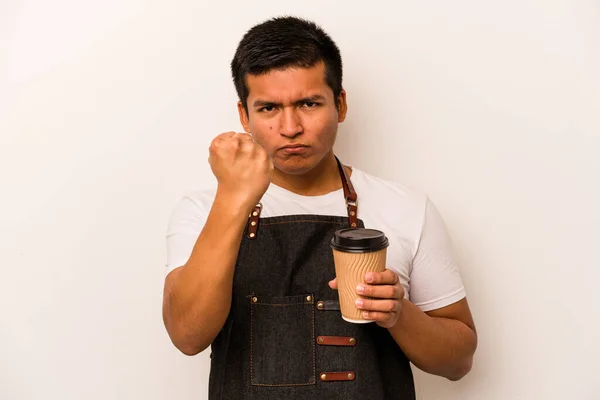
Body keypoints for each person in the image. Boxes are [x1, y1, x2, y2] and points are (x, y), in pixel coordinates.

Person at [162, 16, 477, 399]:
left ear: (340, 104)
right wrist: (233, 196)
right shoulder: (203, 209)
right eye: (268, 109)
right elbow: (187, 335)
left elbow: (459, 362)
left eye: (308, 103)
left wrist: (400, 314)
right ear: (244, 115)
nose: (291, 127)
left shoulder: (406, 207)